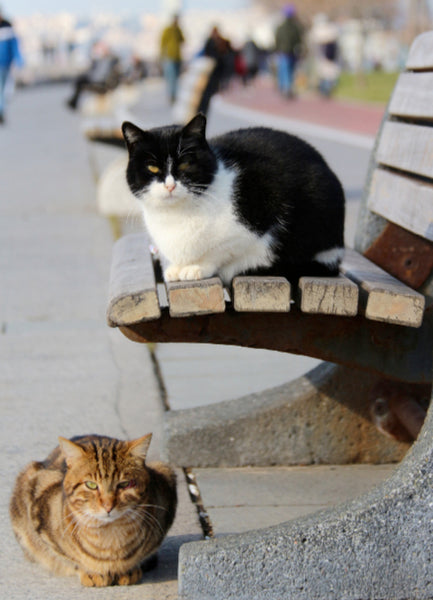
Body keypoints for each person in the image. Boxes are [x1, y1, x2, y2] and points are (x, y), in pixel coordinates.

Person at [66, 41, 120, 110]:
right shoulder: (102, 60)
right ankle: (74, 102)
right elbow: (94, 72)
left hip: (102, 84)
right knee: (79, 80)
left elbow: (101, 75)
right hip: (98, 81)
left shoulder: (110, 60)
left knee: (80, 82)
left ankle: (74, 103)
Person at [274, 4, 304, 98]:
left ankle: (285, 87)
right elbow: (299, 40)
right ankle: (288, 87)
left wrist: (277, 49)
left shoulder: (281, 27)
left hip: (283, 52)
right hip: (292, 52)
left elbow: (277, 40)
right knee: (290, 70)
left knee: (284, 69)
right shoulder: (295, 27)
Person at [0, 6, 23, 124]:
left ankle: (1, 110)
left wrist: (19, 61)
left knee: (2, 89)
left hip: (4, 65)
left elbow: (14, 46)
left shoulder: (8, 27)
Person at [160, 14, 184, 104]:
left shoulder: (178, 30)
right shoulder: (168, 30)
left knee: (176, 78)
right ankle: (171, 96)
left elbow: (183, 40)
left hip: (178, 57)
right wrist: (162, 56)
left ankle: (175, 95)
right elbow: (162, 43)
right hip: (169, 57)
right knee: (171, 77)